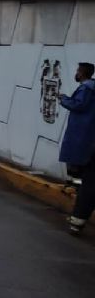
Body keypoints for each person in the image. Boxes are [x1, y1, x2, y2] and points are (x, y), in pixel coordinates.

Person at [60, 62, 95, 234]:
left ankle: (77, 221)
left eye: (77, 71)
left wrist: (64, 99)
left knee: (86, 182)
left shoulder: (86, 88)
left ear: (82, 73)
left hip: (85, 139)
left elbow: (78, 105)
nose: (76, 73)